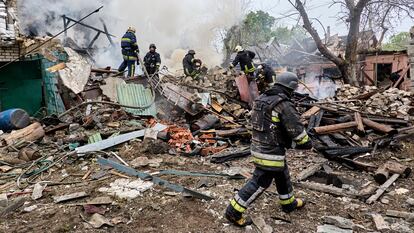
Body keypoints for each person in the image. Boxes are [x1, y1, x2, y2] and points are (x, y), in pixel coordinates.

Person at [225, 72, 313, 227]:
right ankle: (233, 211)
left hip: (259, 146)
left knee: (282, 174)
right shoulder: (283, 104)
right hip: (271, 152)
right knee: (260, 181)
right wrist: (306, 143)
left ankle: (288, 203)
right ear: (291, 88)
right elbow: (296, 131)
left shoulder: (261, 99)